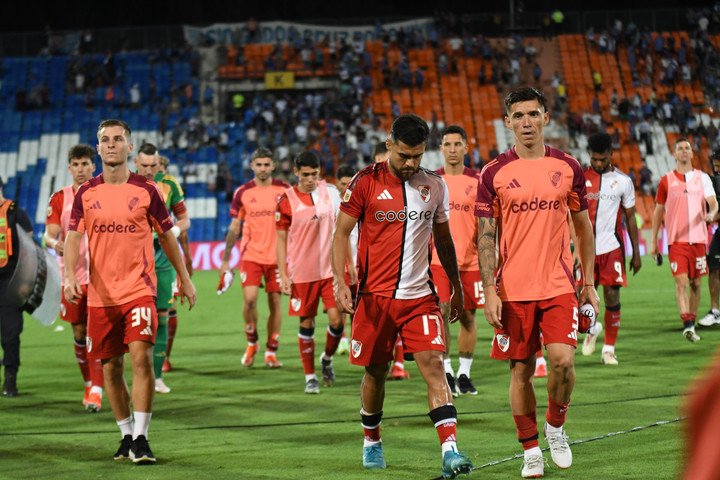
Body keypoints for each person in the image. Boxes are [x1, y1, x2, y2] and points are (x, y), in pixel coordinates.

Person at [332, 114, 473, 478]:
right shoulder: (364, 183)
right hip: (374, 300)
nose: (411, 164)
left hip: (420, 298)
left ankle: (450, 450)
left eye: (418, 157)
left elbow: (443, 240)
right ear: (389, 144)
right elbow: (340, 233)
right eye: (404, 156)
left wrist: (454, 287)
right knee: (376, 372)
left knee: (434, 368)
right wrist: (339, 281)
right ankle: (372, 440)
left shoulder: (435, 186)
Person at [476, 87, 599, 478]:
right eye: (518, 116)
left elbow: (583, 228)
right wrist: (489, 290)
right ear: (508, 121)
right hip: (513, 288)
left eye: (533, 114)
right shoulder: (493, 172)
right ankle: (530, 448)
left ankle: (556, 427)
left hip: (559, 285)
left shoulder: (568, 167)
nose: (526, 122)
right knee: (520, 371)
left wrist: (589, 284)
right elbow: (485, 236)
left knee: (562, 362)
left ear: (546, 117)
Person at [64, 119, 196, 464]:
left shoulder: (147, 190)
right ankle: (125, 435)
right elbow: (74, 237)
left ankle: (142, 437)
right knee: (110, 367)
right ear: (98, 148)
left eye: (118, 139)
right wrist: (68, 275)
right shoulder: (86, 192)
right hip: (101, 295)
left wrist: (184, 276)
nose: (111, 145)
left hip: (139, 289)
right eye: (105, 140)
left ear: (129, 147)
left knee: (140, 358)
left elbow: (167, 235)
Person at [276, 152, 344, 393]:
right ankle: (309, 377)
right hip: (302, 273)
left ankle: (326, 358)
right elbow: (281, 240)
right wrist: (283, 274)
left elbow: (342, 229)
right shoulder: (286, 200)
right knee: (307, 322)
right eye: (305, 174)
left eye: (314, 174)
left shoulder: (331, 193)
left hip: (329, 271)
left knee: (337, 321)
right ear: (296, 172)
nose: (310, 179)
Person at [44, 144, 104, 410]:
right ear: (69, 168)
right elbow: (50, 233)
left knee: (99, 332)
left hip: (103, 276)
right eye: (76, 165)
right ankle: (89, 383)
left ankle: (99, 388)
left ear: (94, 166)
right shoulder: (59, 198)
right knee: (80, 331)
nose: (80, 170)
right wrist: (53, 243)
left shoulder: (105, 193)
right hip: (72, 276)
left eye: (85, 164)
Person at [220, 148, 289, 368]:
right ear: (251, 166)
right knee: (249, 300)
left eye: (266, 164)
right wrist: (225, 260)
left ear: (273, 166)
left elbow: (295, 223)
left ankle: (271, 350)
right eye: (258, 164)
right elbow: (234, 227)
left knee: (275, 302)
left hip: (278, 256)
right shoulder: (243, 192)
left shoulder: (285, 190)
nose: (262, 168)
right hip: (251, 255)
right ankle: (252, 342)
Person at [580, 133, 641, 365]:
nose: (598, 163)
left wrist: (636, 253)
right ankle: (593, 328)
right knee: (585, 300)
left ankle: (608, 349)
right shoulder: (580, 179)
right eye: (595, 159)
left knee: (612, 296)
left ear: (610, 155)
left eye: (602, 159)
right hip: (585, 251)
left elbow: (631, 219)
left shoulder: (623, 181)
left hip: (612, 247)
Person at [134, 143, 190, 394]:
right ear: (136, 162)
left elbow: (184, 218)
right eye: (144, 166)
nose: (148, 170)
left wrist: (171, 233)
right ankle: (133, 373)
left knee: (162, 318)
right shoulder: (125, 184)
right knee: (133, 320)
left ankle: (156, 377)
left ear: (159, 163)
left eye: (153, 166)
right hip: (133, 261)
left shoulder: (169, 184)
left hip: (163, 260)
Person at [430, 125, 482, 396]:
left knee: (468, 316)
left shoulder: (477, 180)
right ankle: (447, 371)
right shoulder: (432, 181)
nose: (452, 150)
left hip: (470, 261)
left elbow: (485, 223)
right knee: (442, 310)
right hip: (439, 260)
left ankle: (464, 373)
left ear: (465, 147)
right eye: (447, 144)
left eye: (457, 144)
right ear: (441, 148)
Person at [651, 138, 718, 342]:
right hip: (676, 241)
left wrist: (711, 213)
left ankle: (692, 320)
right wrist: (654, 242)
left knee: (696, 283)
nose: (683, 151)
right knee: (681, 282)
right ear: (674, 154)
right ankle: (687, 324)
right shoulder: (666, 180)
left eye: (687, 148)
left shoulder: (703, 178)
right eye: (680, 148)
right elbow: (657, 212)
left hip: (698, 240)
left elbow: (713, 204)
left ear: (691, 153)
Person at [371, 141, 410, 380]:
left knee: (397, 317)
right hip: (369, 269)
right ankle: (378, 366)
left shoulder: (409, 190)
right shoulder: (364, 188)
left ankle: (398, 364)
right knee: (375, 324)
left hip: (401, 267)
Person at [156, 155, 193, 373]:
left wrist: (187, 257)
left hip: (167, 256)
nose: (155, 171)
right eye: (151, 166)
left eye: (159, 166)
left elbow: (181, 226)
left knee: (168, 309)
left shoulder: (170, 186)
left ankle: (165, 356)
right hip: (144, 256)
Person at [0, 176, 33, 397]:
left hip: (9, 282)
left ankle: (10, 378)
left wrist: (25, 282)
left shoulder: (15, 212)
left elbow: (30, 250)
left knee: (10, 333)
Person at [334, 165, 358, 357]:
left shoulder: (359, 199)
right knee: (341, 303)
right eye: (343, 184)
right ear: (337, 184)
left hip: (359, 262)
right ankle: (342, 339)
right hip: (341, 261)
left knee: (356, 305)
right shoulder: (333, 202)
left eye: (349, 183)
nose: (346, 187)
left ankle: (353, 339)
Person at [699, 150, 720, 327]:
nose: (717, 170)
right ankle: (715, 312)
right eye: (715, 166)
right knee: (713, 267)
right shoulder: (713, 182)